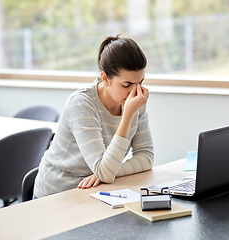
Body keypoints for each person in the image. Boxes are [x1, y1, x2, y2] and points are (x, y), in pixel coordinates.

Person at [33, 35, 154, 198]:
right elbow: (104, 172)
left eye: (140, 82)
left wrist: (111, 171)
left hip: (98, 188)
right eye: (127, 85)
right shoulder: (82, 104)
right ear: (105, 78)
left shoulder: (133, 101)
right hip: (59, 193)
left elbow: (146, 156)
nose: (136, 91)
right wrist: (128, 115)